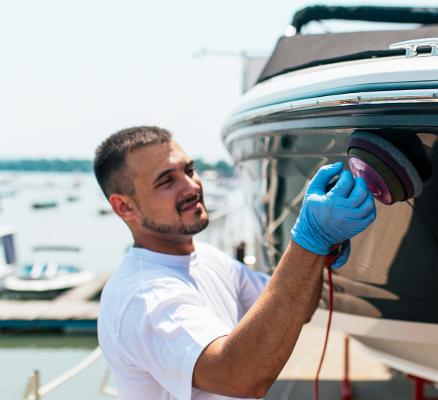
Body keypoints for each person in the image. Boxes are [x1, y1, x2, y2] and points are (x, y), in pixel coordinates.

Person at [95, 126, 375, 400]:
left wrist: (322, 250)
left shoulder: (207, 258)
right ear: (125, 207)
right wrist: (309, 240)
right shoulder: (145, 296)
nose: (192, 186)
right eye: (167, 181)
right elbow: (240, 377)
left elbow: (298, 309)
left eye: (189, 170)